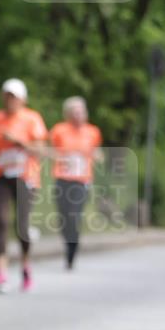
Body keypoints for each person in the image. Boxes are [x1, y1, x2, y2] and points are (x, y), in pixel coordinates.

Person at [0, 78, 47, 293]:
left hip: (26, 176)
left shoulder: (32, 119)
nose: (10, 100)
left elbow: (40, 150)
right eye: (7, 96)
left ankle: (26, 266)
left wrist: (18, 142)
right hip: (0, 175)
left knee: (22, 225)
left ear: (23, 100)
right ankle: (1, 271)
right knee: (1, 220)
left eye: (14, 97)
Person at [48, 97, 103, 269]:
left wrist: (97, 157)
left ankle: (72, 248)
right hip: (62, 178)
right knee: (63, 216)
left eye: (81, 111)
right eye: (75, 112)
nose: (79, 115)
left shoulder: (93, 132)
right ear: (68, 114)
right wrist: (61, 158)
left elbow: (98, 153)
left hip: (82, 180)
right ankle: (68, 241)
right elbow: (49, 150)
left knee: (74, 214)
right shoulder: (59, 130)